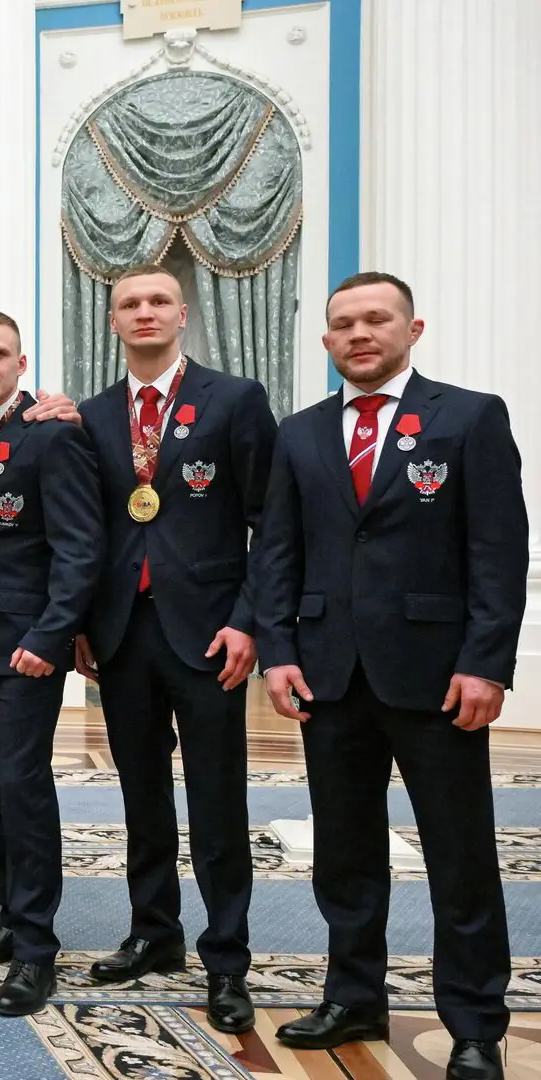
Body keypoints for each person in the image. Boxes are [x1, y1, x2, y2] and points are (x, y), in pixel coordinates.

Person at [257, 272, 524, 1080]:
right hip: (329, 673)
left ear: (414, 329)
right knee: (344, 851)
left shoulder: (469, 417)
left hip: (436, 676)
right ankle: (353, 996)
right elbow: (278, 551)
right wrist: (278, 651)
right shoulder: (300, 433)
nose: (360, 333)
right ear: (326, 340)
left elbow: (497, 551)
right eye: (344, 323)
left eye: (377, 319)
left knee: (460, 854)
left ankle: (473, 1022)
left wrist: (485, 663)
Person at [75, 265, 273, 1034]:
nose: (145, 312)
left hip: (212, 634)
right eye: (130, 303)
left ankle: (226, 959)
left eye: (159, 300)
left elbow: (270, 522)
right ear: (113, 322)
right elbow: (88, 530)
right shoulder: (93, 415)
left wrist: (249, 621)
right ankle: (153, 932)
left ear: (182, 314)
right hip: (124, 633)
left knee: (218, 802)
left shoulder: (235, 400)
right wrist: (84, 623)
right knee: (142, 797)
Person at [0, 310, 101, 1017]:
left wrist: (52, 635)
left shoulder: (52, 435)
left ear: (21, 363)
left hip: (24, 647)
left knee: (22, 789)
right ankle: (0, 913)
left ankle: (36, 949)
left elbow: (79, 547)